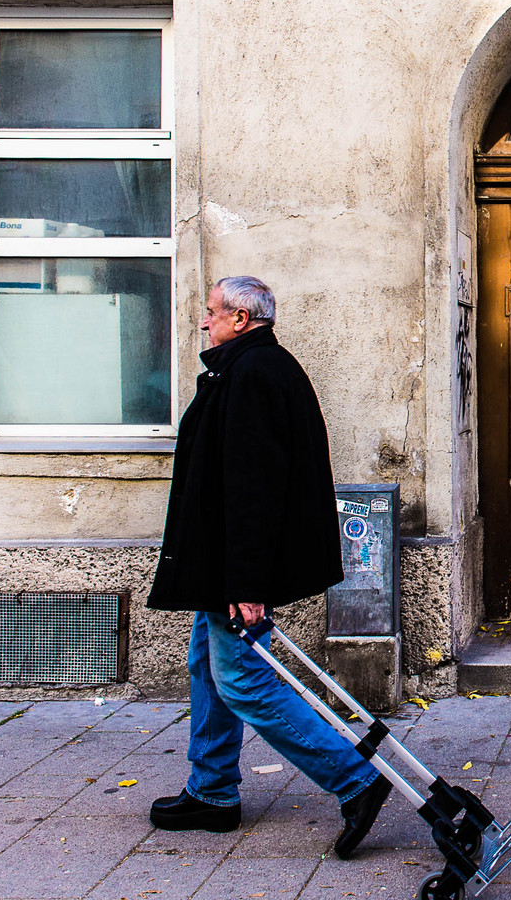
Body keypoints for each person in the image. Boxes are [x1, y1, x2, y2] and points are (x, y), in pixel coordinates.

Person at [145, 275, 391, 857]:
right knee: (206, 665)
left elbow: (253, 489)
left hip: (236, 569)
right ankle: (211, 792)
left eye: (211, 313)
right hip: (222, 563)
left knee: (243, 681)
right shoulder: (244, 368)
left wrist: (247, 582)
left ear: (241, 319)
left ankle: (355, 780)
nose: (203, 322)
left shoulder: (253, 376)